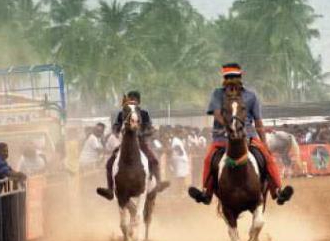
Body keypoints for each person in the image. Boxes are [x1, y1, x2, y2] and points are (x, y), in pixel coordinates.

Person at [188, 63, 293, 206]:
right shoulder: (217, 93)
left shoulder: (251, 95)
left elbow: (258, 121)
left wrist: (264, 143)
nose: (231, 79)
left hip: (248, 135)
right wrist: (228, 125)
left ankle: (278, 191)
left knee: (268, 158)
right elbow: (217, 113)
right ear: (224, 78)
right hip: (222, 136)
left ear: (240, 77)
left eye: (234, 76)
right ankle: (206, 193)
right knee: (208, 159)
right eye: (228, 77)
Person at [96, 91, 170, 201]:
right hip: (125, 143)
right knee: (109, 163)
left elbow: (149, 129)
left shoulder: (144, 114)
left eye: (134, 99)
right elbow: (116, 126)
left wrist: (140, 133)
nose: (132, 101)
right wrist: (117, 130)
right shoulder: (123, 113)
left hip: (140, 143)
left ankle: (158, 183)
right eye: (130, 99)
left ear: (138, 102)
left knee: (154, 160)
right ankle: (110, 189)